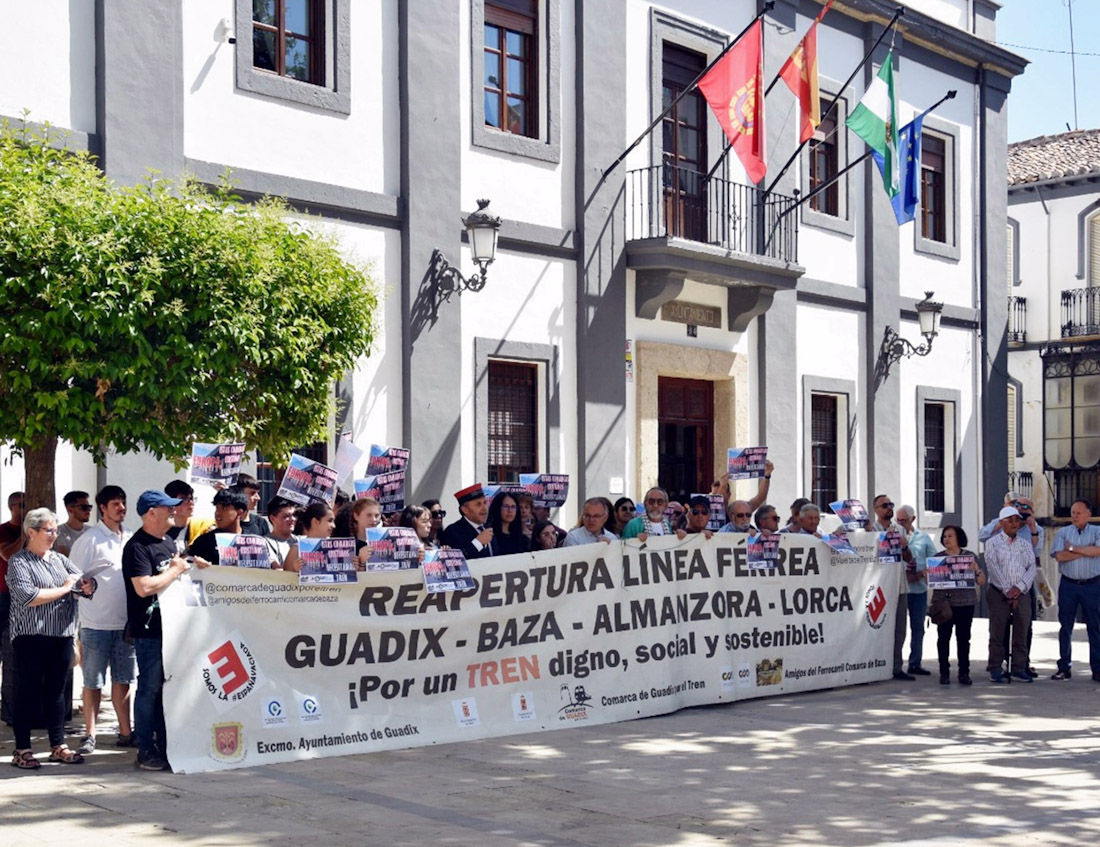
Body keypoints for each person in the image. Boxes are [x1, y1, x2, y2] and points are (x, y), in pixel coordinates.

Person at [123, 489, 210, 771]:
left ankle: (167, 745)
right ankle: (145, 749)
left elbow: (178, 573)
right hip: (150, 632)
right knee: (149, 689)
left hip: (174, 630)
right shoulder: (137, 547)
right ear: (151, 513)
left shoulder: (170, 544)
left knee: (168, 690)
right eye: (168, 507)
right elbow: (144, 586)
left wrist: (194, 566)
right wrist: (174, 571)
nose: (175, 511)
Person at [7, 507, 95, 769]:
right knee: (28, 692)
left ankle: (58, 744)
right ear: (31, 532)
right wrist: (66, 588)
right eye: (48, 530)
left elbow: (80, 581)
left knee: (57, 693)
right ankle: (22, 748)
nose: (53, 535)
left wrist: (87, 585)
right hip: (31, 636)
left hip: (61, 634)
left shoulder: (58, 559)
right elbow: (29, 597)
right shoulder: (19, 562)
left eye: (55, 530)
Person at [69, 485, 134, 755]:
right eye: (115, 503)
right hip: (96, 624)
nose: (120, 508)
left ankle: (125, 732)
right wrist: (85, 584)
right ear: (103, 508)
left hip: (125, 624)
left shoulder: (130, 538)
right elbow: (72, 576)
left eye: (123, 502)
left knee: (124, 680)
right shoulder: (90, 539)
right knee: (92, 682)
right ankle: (89, 734)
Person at [979, 491, 1043, 677]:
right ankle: (996, 667)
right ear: (1002, 523)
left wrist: (1019, 588)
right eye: (1011, 520)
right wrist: (1008, 589)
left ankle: (1018, 668)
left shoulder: (1024, 543)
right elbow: (993, 567)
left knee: (1022, 630)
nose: (1015, 523)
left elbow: (1032, 566)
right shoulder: (992, 543)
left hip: (1022, 592)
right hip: (999, 592)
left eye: (1017, 520)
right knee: (998, 631)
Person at [1049, 498, 1100, 681]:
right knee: (1065, 626)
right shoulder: (1063, 532)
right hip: (1069, 584)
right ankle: (1064, 667)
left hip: (1093, 584)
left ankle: (1097, 668)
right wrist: (1086, 550)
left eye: (1079, 513)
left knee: (1095, 626)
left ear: (1088, 514)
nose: (1075, 516)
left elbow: (1098, 551)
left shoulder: (1097, 531)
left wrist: (1072, 548)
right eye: (1072, 513)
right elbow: (1060, 556)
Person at [867, 494, 913, 681]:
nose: (888, 508)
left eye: (890, 504)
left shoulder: (900, 529)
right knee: (874, 626)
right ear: (876, 510)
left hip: (898, 585)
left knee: (900, 628)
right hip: (876, 587)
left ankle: (896, 666)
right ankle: (873, 665)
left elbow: (910, 558)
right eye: (884, 505)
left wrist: (903, 548)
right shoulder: (870, 530)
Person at [933, 525, 985, 686]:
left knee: (963, 639)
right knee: (943, 639)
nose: (946, 539)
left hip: (965, 603)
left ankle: (964, 672)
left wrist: (976, 571)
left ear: (959, 538)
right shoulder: (938, 558)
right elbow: (932, 581)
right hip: (944, 604)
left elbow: (982, 581)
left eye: (950, 536)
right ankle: (944, 672)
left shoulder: (970, 557)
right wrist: (929, 573)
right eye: (944, 536)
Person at [896, 505, 936, 676]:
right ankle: (894, 663)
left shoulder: (924, 538)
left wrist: (920, 574)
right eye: (897, 520)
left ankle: (915, 663)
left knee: (917, 627)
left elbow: (934, 562)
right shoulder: (892, 536)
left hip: (918, 589)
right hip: (898, 589)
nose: (900, 523)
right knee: (897, 628)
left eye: (903, 520)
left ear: (912, 519)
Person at [0, 491, 26, 725]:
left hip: (21, 596)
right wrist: (24, 536)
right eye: (21, 505)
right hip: (3, 596)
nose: (25, 508)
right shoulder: (4, 530)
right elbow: (7, 554)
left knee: (13, 654)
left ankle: (9, 709)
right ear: (12, 507)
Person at [187, 488, 249, 565]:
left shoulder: (253, 541)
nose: (218, 513)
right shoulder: (204, 541)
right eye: (217, 508)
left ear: (240, 512)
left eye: (225, 508)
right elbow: (188, 566)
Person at [441, 484, 495, 559]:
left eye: (485, 502)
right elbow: (455, 561)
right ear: (465, 510)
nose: (485, 508)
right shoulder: (453, 531)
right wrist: (478, 543)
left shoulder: (489, 528)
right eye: (478, 504)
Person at [283, 502, 336, 573]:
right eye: (330, 521)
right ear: (315, 522)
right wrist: (294, 569)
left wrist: (354, 566)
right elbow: (284, 580)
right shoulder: (297, 549)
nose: (334, 526)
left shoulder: (337, 548)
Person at [164, 480, 215, 552]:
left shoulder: (204, 527)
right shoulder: (161, 531)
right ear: (171, 502)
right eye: (184, 499)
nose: (191, 502)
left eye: (192, 498)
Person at [621, 488, 687, 542]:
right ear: (645, 504)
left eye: (660, 502)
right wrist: (637, 542)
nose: (655, 505)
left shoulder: (668, 525)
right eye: (651, 501)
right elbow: (624, 549)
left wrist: (682, 538)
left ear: (666, 505)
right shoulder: (633, 525)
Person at [263, 497, 299, 568]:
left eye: (294, 515)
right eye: (286, 516)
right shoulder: (265, 543)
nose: (292, 519)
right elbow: (277, 570)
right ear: (273, 518)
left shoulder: (300, 541)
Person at [54, 490, 91, 556]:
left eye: (90, 507)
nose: (88, 511)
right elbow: (66, 560)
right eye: (84, 508)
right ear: (70, 510)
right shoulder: (58, 533)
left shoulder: (92, 531)